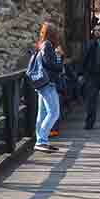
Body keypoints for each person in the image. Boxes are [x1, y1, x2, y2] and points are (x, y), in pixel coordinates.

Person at [30, 22, 64, 153]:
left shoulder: (41, 44)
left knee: (42, 113)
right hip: (48, 83)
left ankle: (41, 141)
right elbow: (51, 65)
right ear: (53, 34)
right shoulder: (48, 45)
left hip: (41, 83)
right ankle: (41, 140)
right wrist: (60, 56)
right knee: (54, 112)